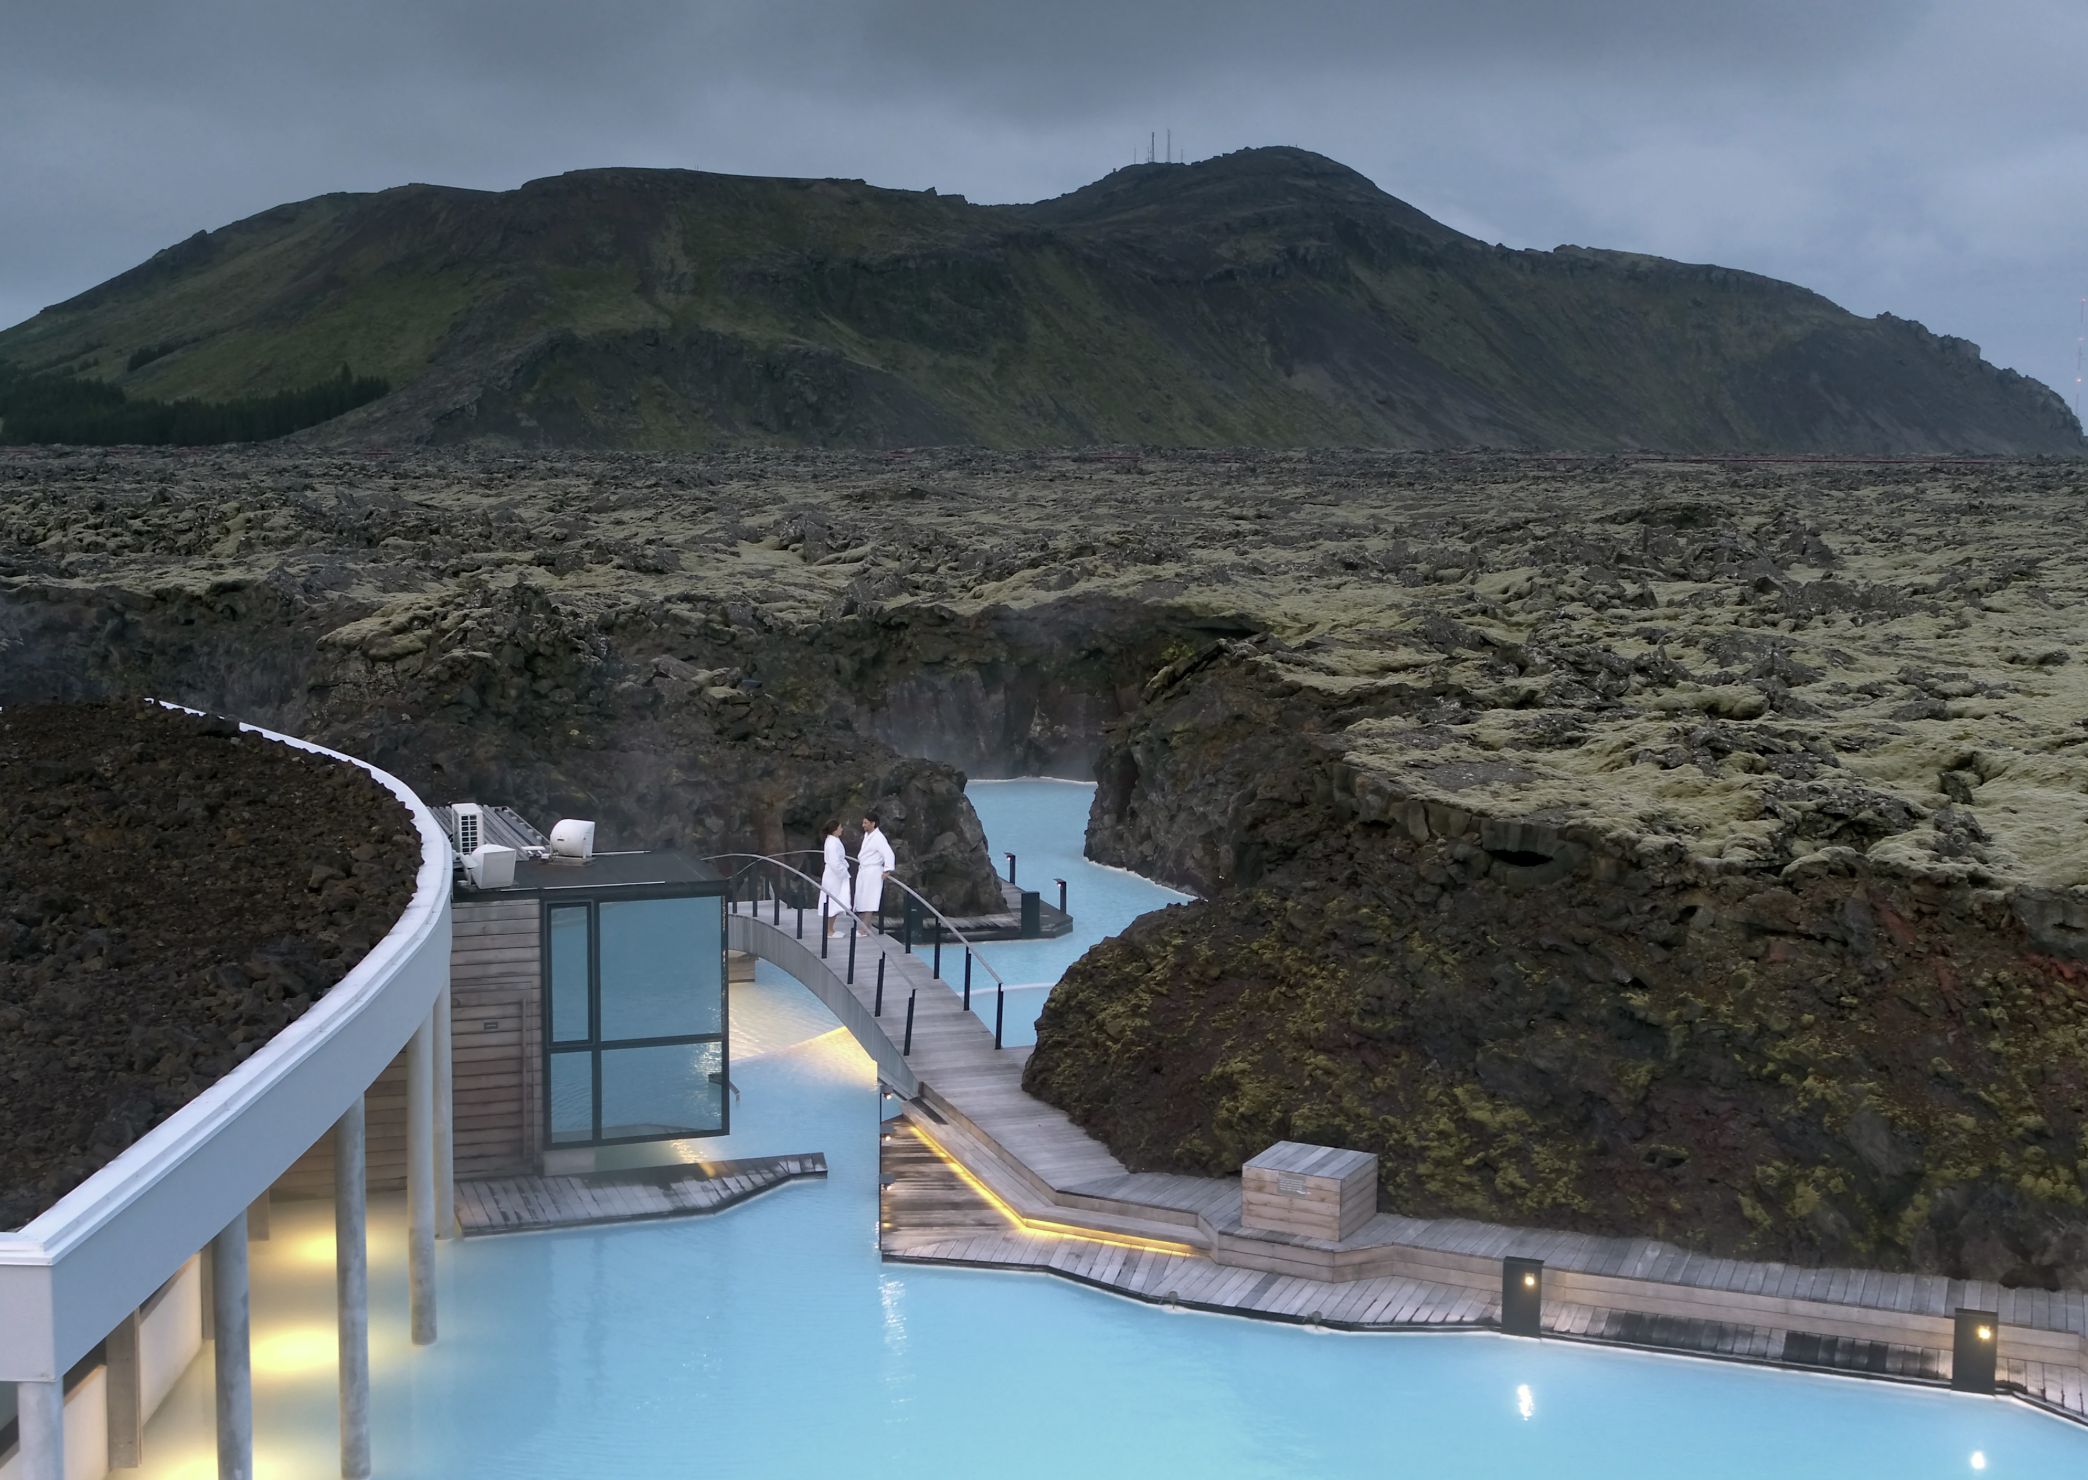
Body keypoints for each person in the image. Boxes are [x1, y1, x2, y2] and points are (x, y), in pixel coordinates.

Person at [852, 811, 895, 931]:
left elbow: (888, 854)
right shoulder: (868, 836)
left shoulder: (879, 838)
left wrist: (887, 870)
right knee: (863, 897)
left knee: (870, 899)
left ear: (873, 823)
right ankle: (868, 925)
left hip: (873, 871)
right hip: (865, 870)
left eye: (865, 823)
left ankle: (865, 927)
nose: (863, 825)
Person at [818, 819, 851, 937]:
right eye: (840, 827)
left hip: (835, 874)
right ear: (835, 829)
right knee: (832, 901)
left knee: (834, 901)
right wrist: (843, 873)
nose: (841, 829)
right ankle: (829, 931)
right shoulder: (832, 843)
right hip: (834, 876)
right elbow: (834, 862)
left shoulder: (834, 841)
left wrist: (845, 865)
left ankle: (831, 929)